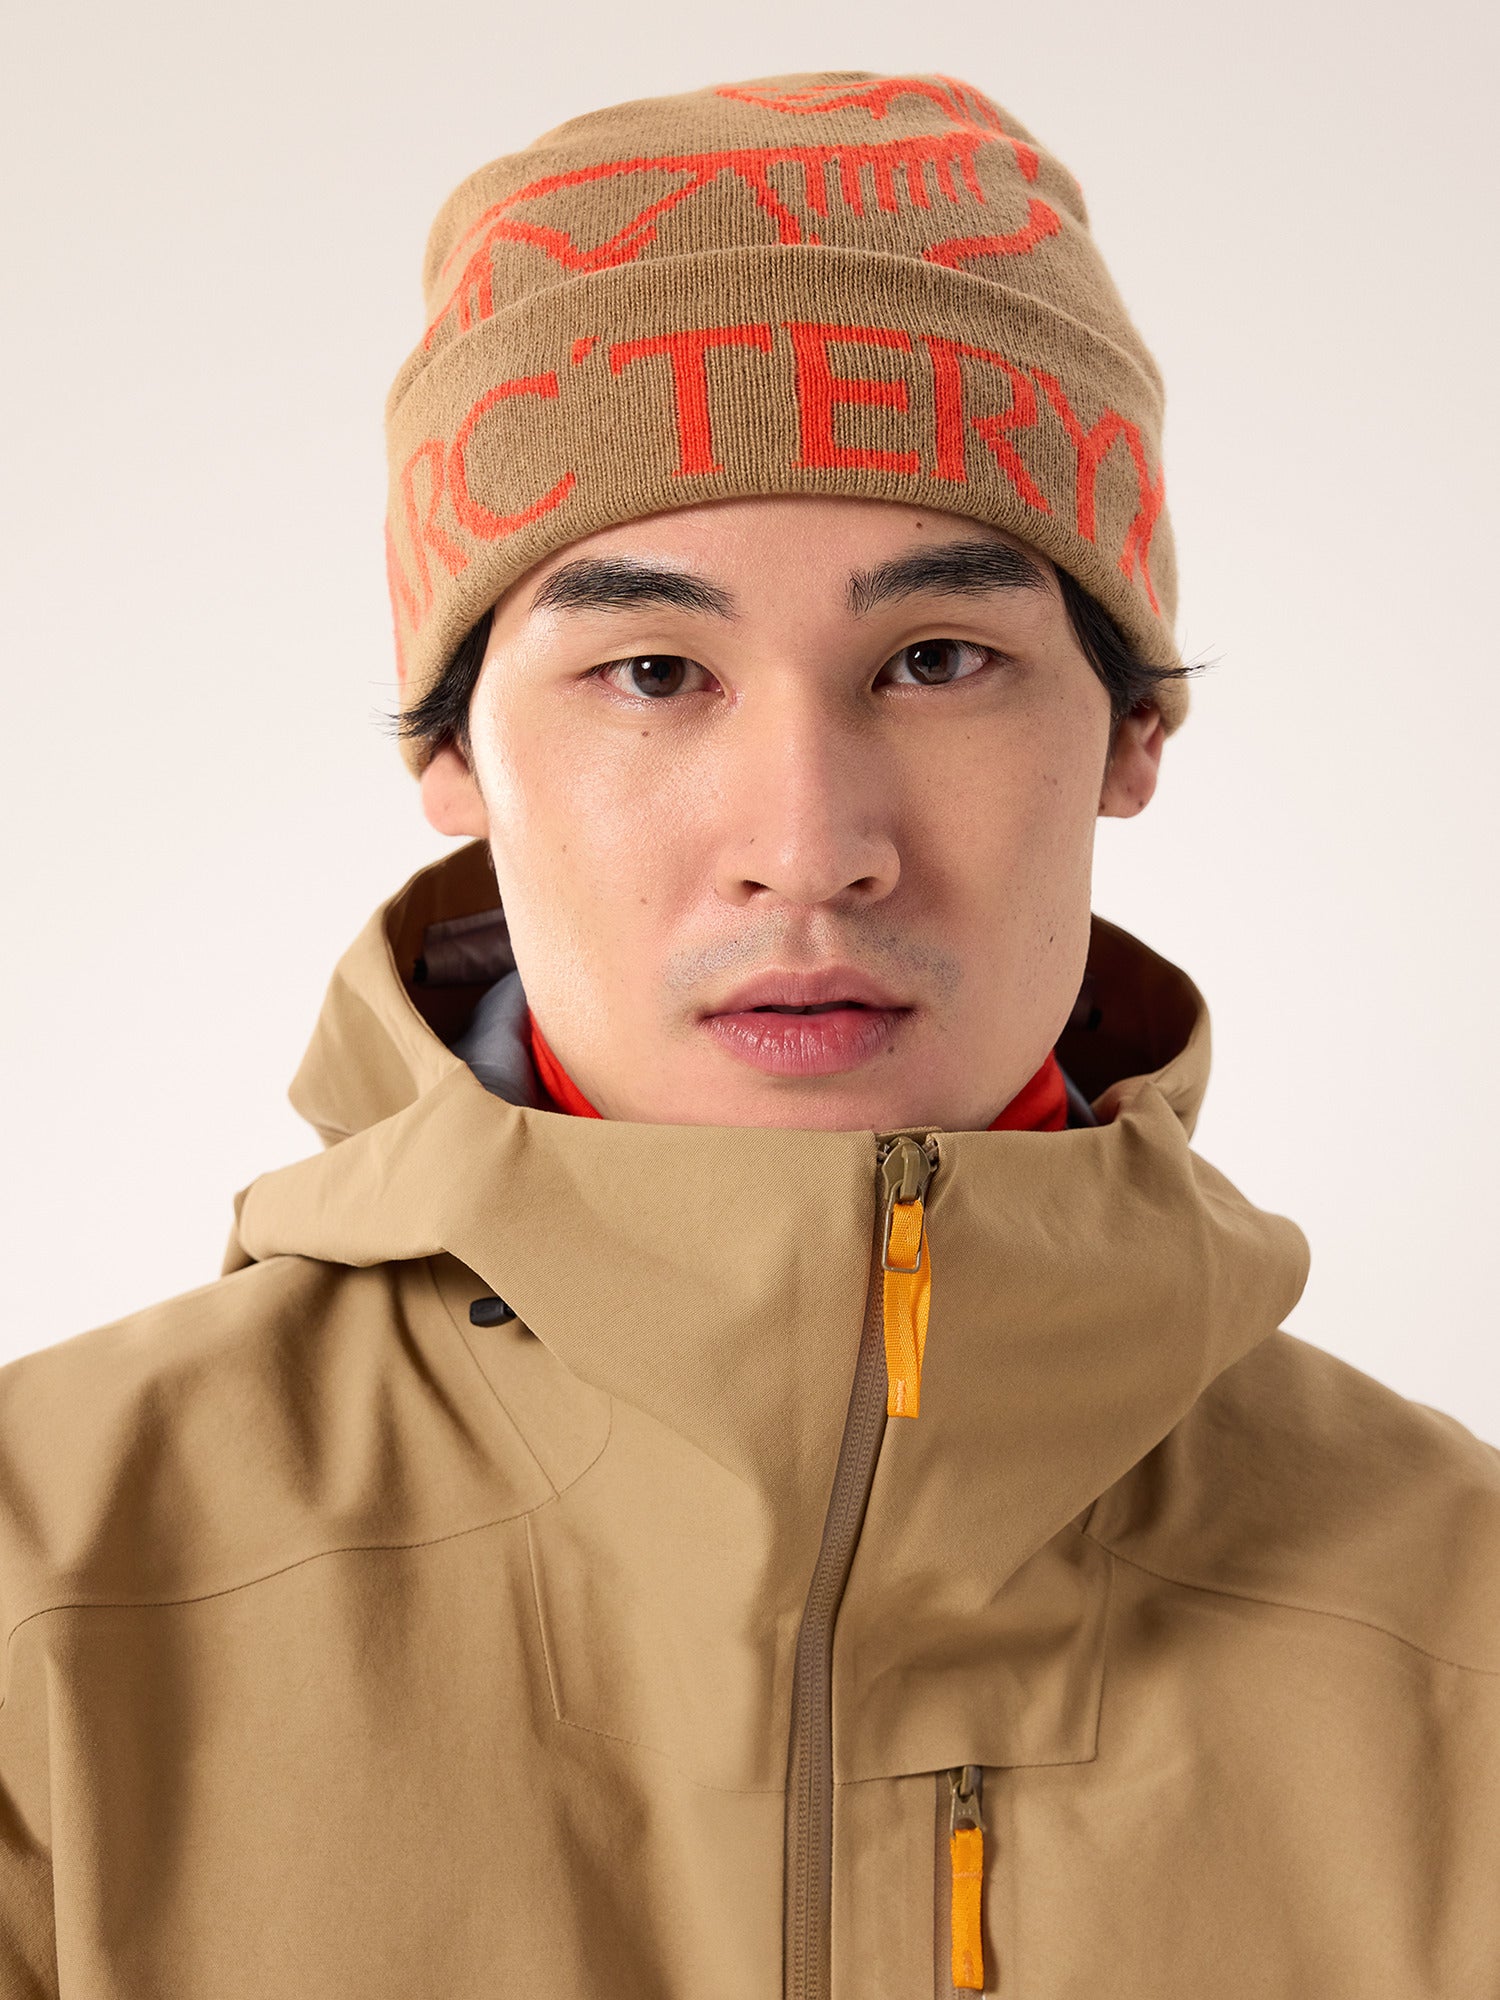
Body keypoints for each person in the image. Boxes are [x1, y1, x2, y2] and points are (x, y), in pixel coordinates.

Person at [0, 70, 1494, 2000]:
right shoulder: (47, 1586)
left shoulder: (1459, 1619)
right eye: (652, 670)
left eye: (936, 659)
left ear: (1134, 729)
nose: (810, 845)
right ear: (453, 755)